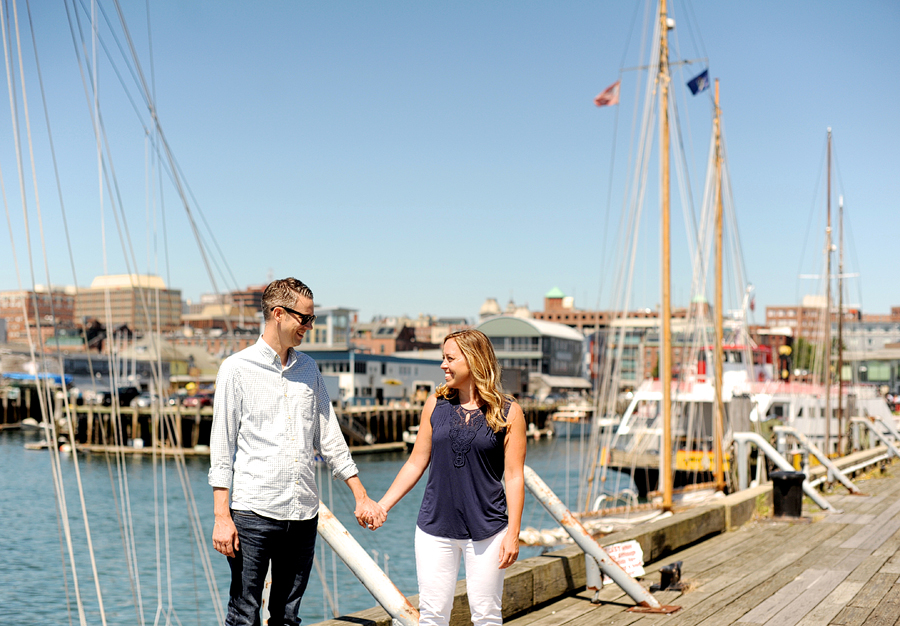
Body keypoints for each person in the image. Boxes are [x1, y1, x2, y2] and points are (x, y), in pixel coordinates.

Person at [208, 277, 385, 626]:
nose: (308, 326)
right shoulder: (236, 369)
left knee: (287, 617)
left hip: (303, 514)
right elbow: (221, 447)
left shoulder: (309, 369)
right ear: (278, 314)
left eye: (311, 319)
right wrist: (221, 517)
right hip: (252, 513)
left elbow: (330, 437)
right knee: (244, 615)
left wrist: (361, 495)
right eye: (304, 318)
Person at [372, 329, 526, 626]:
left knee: (487, 616)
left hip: (488, 531)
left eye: (450, 358)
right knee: (432, 616)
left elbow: (515, 478)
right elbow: (416, 462)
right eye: (442, 357)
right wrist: (383, 505)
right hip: (434, 528)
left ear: (474, 360)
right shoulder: (436, 404)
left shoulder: (510, 413)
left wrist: (513, 534)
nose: (443, 365)